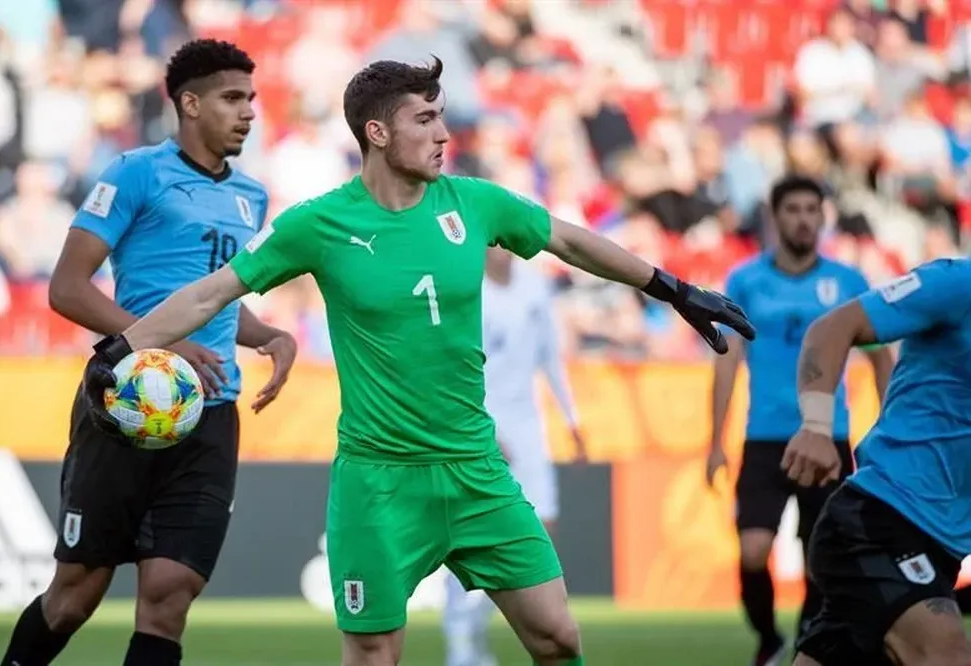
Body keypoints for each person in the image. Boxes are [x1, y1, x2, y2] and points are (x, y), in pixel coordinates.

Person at [77, 57, 754, 666]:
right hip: (379, 484)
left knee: (558, 637)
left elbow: (572, 243)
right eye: (425, 119)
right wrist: (124, 347)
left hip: (475, 471)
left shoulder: (473, 202)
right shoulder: (318, 224)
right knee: (374, 655)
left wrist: (675, 290)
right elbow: (212, 292)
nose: (442, 134)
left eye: (443, 118)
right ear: (376, 133)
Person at [0, 39, 297, 666]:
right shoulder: (136, 172)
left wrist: (267, 334)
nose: (248, 112)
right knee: (75, 596)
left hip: (209, 413)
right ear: (189, 103)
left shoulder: (252, 196)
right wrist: (168, 342)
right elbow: (68, 288)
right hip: (126, 402)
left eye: (252, 98)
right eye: (232, 98)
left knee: (169, 595)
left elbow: (214, 297)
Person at [707, 175, 894, 666]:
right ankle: (768, 638)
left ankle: (809, 644)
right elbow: (725, 361)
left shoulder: (849, 282)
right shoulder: (745, 280)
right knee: (752, 551)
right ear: (775, 216)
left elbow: (878, 358)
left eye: (813, 209)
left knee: (824, 557)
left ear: (823, 216)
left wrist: (890, 429)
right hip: (764, 436)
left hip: (828, 438)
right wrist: (715, 441)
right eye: (794, 210)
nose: (804, 219)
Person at [782, 257, 971, 666]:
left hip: (939, 549)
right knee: (945, 650)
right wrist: (816, 426)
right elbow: (832, 327)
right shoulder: (959, 283)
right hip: (879, 518)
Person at [442, 246, 585, 666]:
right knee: (472, 537)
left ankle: (475, 630)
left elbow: (550, 358)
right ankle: (461, 640)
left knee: (541, 531)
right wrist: (483, 428)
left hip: (529, 426)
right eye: (493, 242)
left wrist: (572, 418)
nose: (502, 250)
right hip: (481, 425)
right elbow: (451, 366)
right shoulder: (466, 290)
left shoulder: (536, 288)